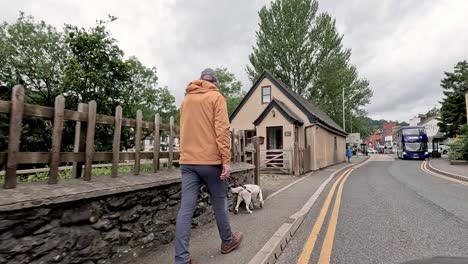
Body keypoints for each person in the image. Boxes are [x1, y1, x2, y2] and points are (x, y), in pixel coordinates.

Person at [175, 68, 243, 264]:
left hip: (187, 162)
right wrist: (226, 161)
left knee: (185, 209)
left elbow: (184, 129)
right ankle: (227, 241)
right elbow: (222, 130)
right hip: (210, 162)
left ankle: (181, 259)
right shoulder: (216, 97)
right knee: (219, 202)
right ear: (215, 82)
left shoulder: (186, 100)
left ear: (200, 80)